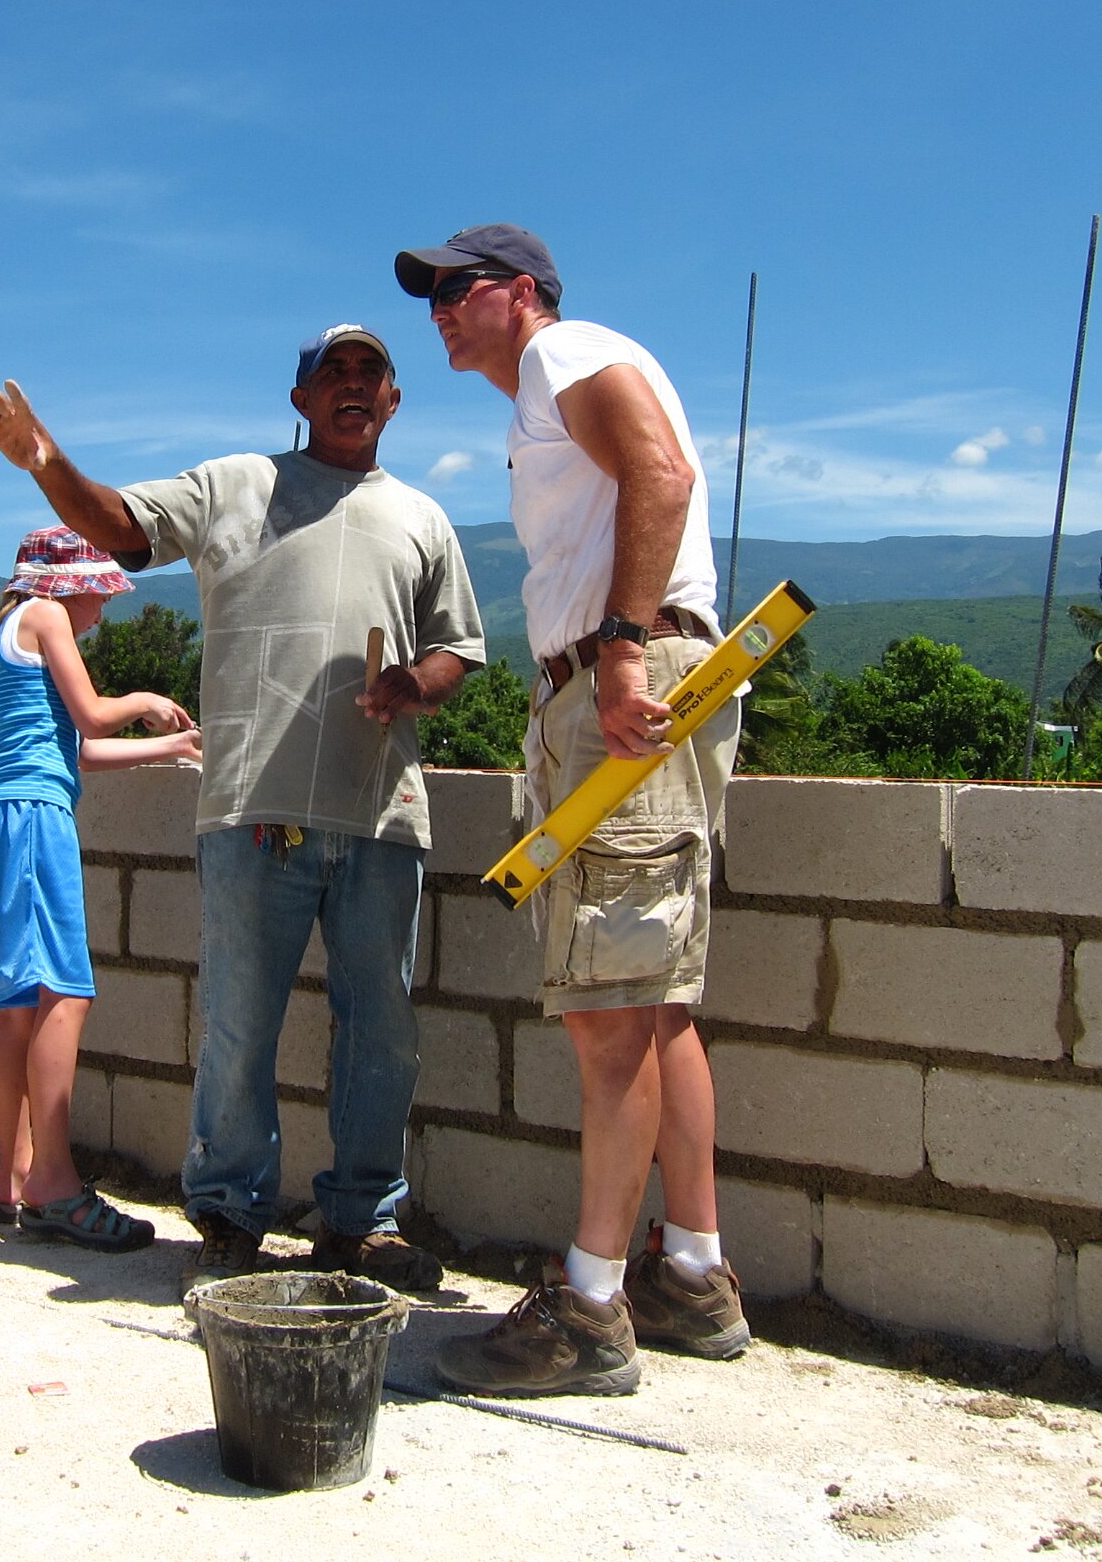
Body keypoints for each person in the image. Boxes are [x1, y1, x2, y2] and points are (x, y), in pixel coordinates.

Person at [0, 325, 485, 1292]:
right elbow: (120, 523)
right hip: (252, 810)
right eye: (332, 371)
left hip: (380, 813)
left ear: (394, 400)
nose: (353, 385)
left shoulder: (422, 518)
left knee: (382, 1032)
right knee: (240, 1026)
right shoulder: (236, 485)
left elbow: (458, 647)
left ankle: (360, 1221)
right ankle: (231, 1214)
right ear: (300, 398)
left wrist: (416, 682)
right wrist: (44, 459)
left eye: (370, 373)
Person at [401, 224, 748, 1397]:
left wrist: (620, 651)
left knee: (610, 1016)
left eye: (455, 289)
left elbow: (664, 473)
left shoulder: (564, 353)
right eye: (430, 296)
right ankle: (690, 1274)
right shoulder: (541, 395)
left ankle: (590, 1310)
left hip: (623, 687)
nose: (438, 310)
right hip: (615, 687)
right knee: (655, 1005)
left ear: (520, 292)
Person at [0, 525, 202, 1252]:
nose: (102, 610)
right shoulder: (44, 613)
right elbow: (96, 715)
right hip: (37, 818)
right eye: (98, 593)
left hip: (1, 813)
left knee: (19, 1007)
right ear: (65, 584)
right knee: (65, 995)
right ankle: (56, 1184)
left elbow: (79, 749)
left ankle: (11, 1179)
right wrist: (146, 699)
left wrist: (173, 745)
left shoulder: (6, 631)